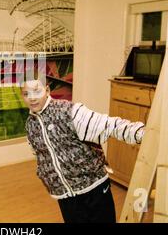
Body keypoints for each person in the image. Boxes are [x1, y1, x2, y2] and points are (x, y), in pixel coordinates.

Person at [20, 74, 144, 223]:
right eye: (26, 94)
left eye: (37, 91)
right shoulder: (30, 125)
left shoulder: (69, 111)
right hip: (65, 195)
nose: (32, 98)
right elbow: (39, 155)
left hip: (94, 189)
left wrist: (143, 134)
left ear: (47, 90)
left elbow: (110, 125)